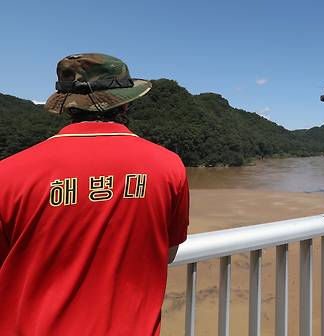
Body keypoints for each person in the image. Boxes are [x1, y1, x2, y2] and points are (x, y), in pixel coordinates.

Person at [0, 53, 189, 335]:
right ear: (125, 103)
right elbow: (168, 252)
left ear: (68, 107)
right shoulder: (169, 166)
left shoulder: (8, 173)